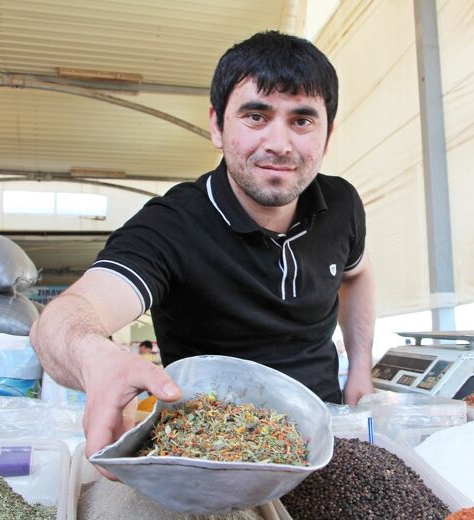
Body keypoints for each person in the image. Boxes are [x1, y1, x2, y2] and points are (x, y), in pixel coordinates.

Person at [30, 30, 376, 471]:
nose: (279, 144)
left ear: (327, 135)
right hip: (212, 455)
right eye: (255, 116)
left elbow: (357, 274)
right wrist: (94, 356)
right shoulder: (171, 225)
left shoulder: (342, 205)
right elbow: (61, 320)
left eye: (303, 120)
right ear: (217, 125)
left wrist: (360, 369)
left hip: (323, 437)